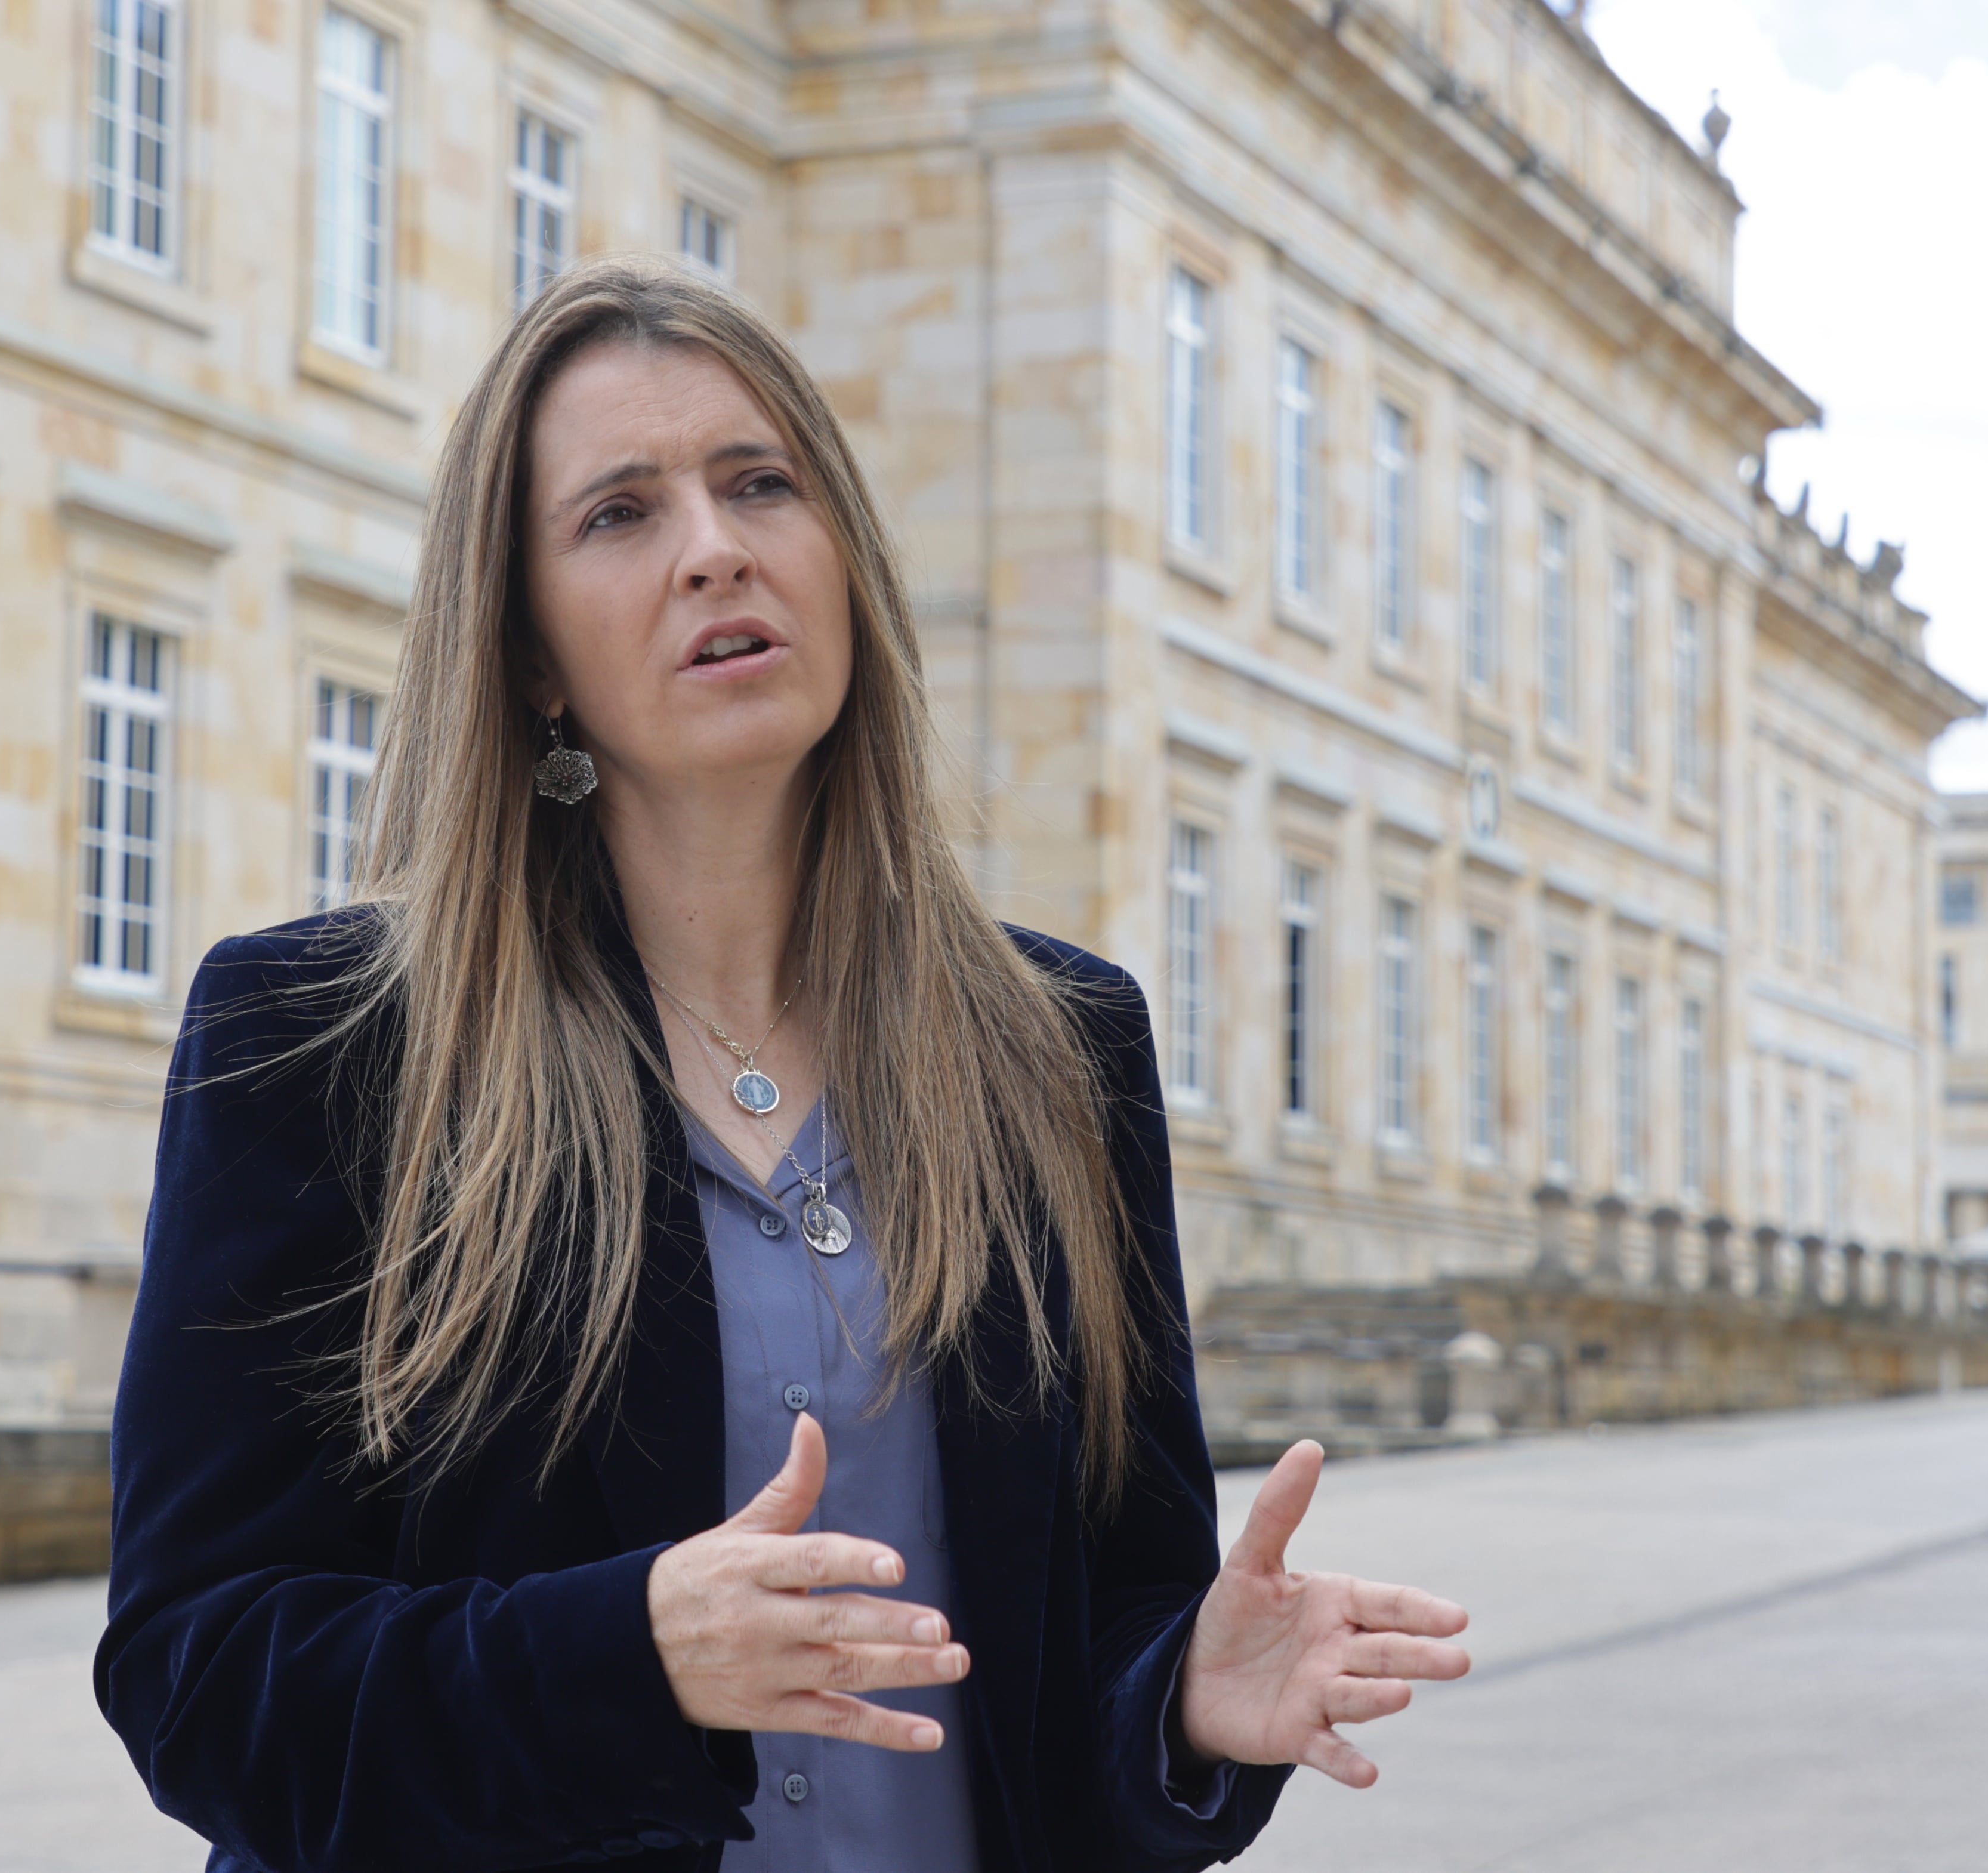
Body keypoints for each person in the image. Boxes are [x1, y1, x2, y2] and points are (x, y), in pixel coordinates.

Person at [95, 255, 1471, 1873]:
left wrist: (1178, 1700)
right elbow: (200, 1675)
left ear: (844, 564)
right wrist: (633, 1653)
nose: (714, 548)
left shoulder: (1058, 1047)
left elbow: (1094, 1626)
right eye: (619, 512)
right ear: (530, 652)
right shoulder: (321, 1041)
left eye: (761, 484)